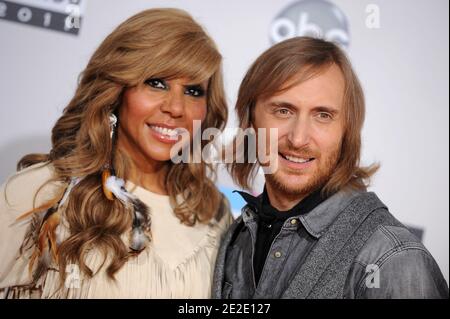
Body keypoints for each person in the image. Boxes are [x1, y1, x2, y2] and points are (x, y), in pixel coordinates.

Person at [0, 8, 233, 298]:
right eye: (156, 83)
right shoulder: (44, 192)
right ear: (117, 90)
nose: (175, 107)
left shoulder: (213, 211)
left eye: (194, 91)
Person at [213, 36, 448, 299]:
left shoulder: (393, 258)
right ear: (250, 120)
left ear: (346, 132)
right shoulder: (237, 238)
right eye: (283, 111)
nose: (298, 138)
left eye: (323, 115)